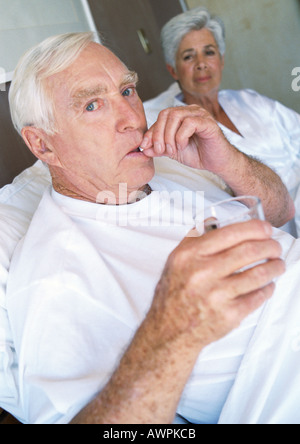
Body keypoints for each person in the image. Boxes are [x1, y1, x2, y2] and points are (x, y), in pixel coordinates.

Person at [4, 32, 296, 424]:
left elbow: (281, 211)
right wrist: (170, 332)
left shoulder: (173, 159)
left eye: (127, 91)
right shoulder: (55, 274)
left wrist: (228, 161)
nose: (131, 119)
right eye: (92, 105)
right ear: (43, 146)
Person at [143, 7, 300, 236]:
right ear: (173, 70)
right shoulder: (174, 128)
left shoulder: (251, 101)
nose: (201, 63)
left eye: (209, 52)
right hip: (270, 229)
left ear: (222, 59)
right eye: (188, 56)